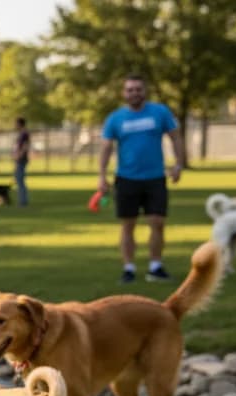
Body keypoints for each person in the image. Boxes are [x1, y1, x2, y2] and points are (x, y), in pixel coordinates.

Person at [97, 74, 184, 284]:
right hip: (126, 178)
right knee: (128, 225)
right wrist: (102, 175)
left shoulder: (159, 112)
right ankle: (129, 269)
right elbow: (106, 147)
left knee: (157, 222)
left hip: (155, 177)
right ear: (124, 93)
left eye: (138, 89)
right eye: (130, 90)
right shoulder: (115, 118)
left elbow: (175, 137)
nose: (134, 93)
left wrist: (178, 164)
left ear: (144, 92)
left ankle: (155, 267)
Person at [13, 117, 31, 206]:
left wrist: (19, 155)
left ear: (20, 124)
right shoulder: (21, 134)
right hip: (18, 159)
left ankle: (23, 201)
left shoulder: (24, 133)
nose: (15, 125)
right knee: (18, 179)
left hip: (21, 159)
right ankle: (22, 200)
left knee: (20, 180)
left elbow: (25, 145)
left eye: (16, 123)